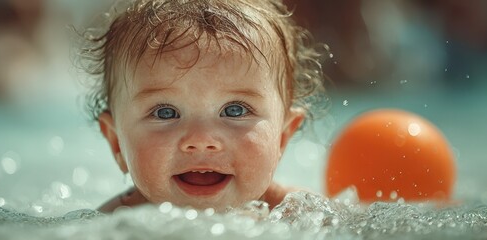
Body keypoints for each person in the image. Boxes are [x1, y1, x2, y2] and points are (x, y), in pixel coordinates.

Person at [79, 0, 327, 213]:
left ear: (282, 137)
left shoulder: (299, 214)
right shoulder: (112, 225)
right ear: (116, 143)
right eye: (165, 113)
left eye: (235, 110)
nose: (200, 139)